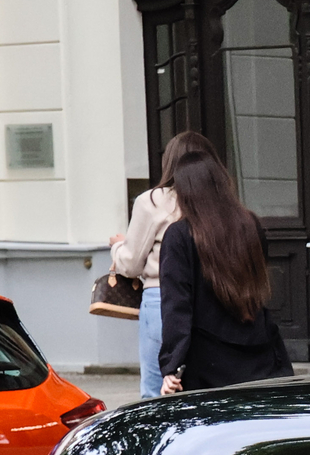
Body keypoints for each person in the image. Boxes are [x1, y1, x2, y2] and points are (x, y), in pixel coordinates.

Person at [157, 152, 295, 394]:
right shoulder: (250, 225)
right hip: (259, 353)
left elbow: (177, 305)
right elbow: (257, 290)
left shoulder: (179, 236)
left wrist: (172, 365)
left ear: (185, 192)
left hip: (207, 366)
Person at [110, 132, 219, 398]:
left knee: (155, 393)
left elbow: (132, 263)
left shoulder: (153, 201)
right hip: (213, 300)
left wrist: (117, 247)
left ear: (170, 163)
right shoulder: (219, 202)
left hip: (162, 299)